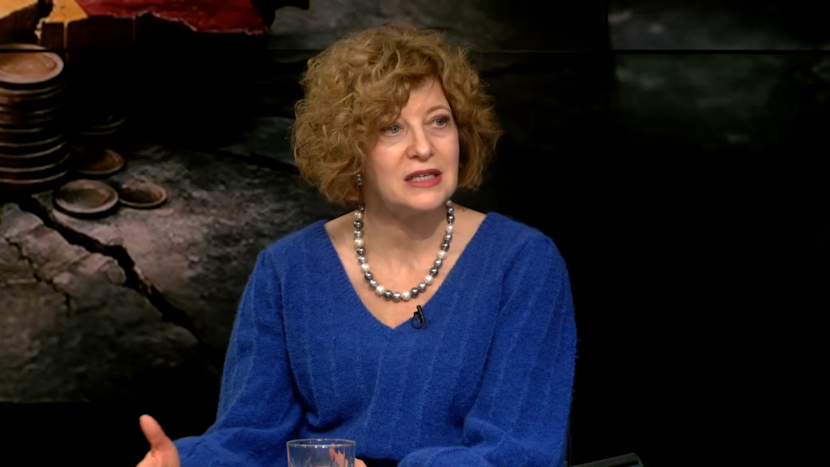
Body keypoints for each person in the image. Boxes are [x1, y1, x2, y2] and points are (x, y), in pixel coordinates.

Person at [136, 22, 577, 467]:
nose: (423, 147)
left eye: (439, 121)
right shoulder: (287, 270)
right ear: (350, 149)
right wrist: (186, 462)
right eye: (392, 128)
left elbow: (519, 452)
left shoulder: (524, 263)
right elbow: (249, 438)